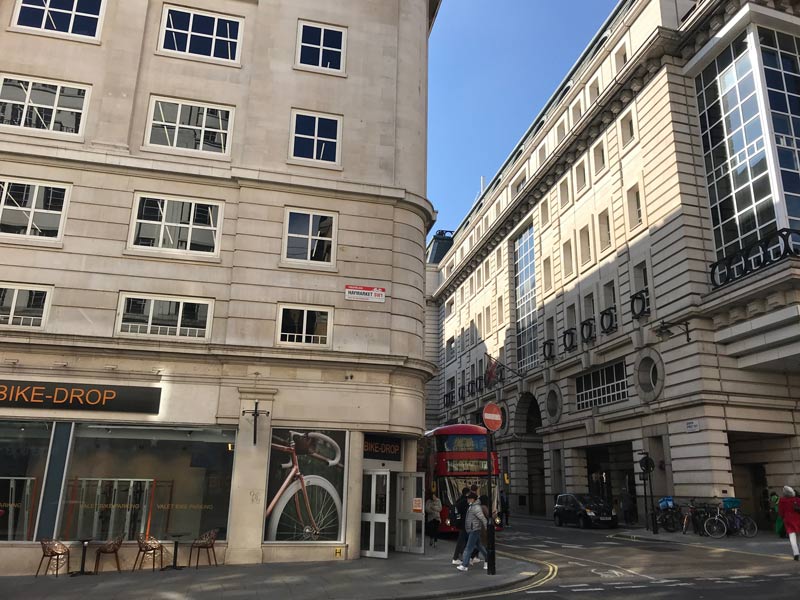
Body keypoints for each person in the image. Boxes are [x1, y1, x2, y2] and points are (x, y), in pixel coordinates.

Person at [457, 492, 488, 571]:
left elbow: (482, 518)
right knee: (479, 546)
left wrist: (487, 527)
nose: (467, 499)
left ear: (472, 499)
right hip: (472, 529)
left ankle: (464, 565)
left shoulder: (476, 507)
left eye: (468, 498)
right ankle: (488, 559)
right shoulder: (472, 506)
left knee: (468, 548)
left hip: (474, 529)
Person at [777, 485, 800, 560]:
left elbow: (781, 511)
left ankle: (796, 553)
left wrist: (783, 517)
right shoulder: (797, 499)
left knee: (792, 537)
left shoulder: (782, 500)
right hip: (798, 518)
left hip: (788, 519)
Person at [450, 487, 470, 565]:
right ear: (467, 493)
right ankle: (456, 558)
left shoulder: (459, 500)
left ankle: (462, 557)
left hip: (462, 524)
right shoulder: (464, 501)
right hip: (464, 524)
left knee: (464, 541)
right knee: (462, 541)